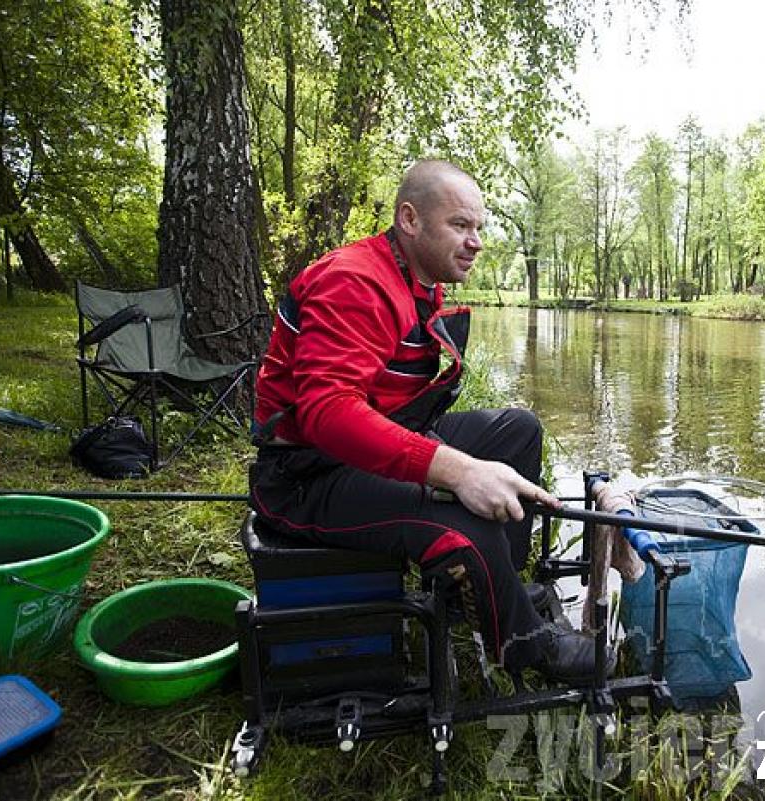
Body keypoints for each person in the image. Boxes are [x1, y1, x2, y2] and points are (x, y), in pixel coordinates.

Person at [248, 159, 606, 683]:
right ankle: (524, 644)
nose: (476, 241)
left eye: (479, 228)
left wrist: (454, 463)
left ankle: (486, 589)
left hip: (366, 448)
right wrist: (458, 472)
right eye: (460, 226)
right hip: (306, 477)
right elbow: (327, 413)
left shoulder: (414, 278)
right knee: (468, 521)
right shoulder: (354, 281)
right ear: (410, 219)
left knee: (517, 429)